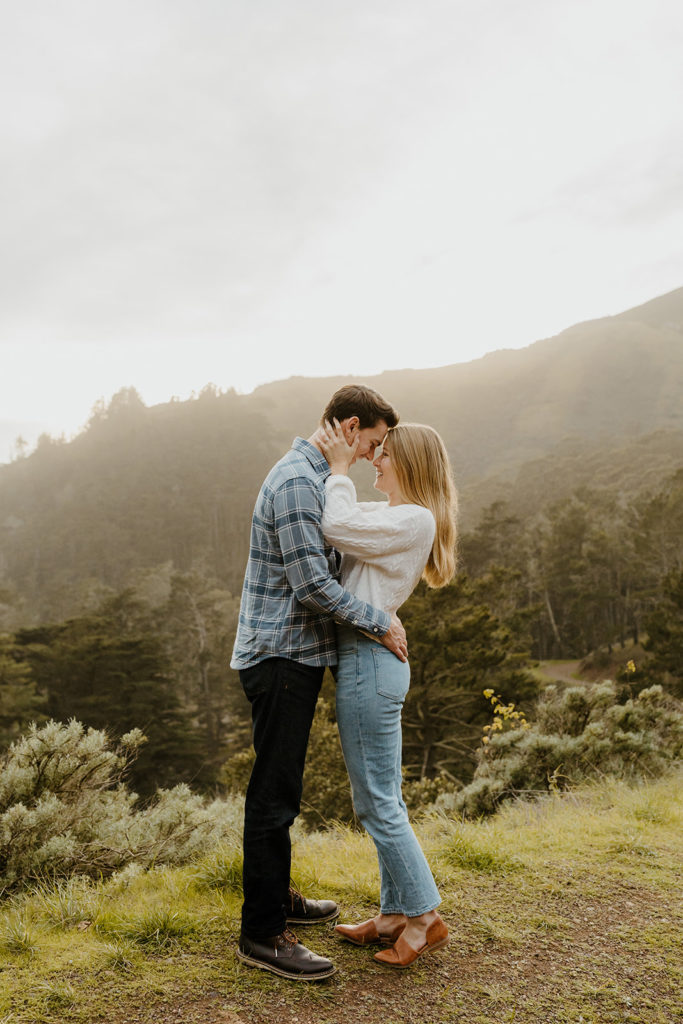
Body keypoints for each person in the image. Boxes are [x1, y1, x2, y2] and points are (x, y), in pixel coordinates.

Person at [231, 384, 407, 981]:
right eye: (373, 443)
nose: (370, 454)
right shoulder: (298, 483)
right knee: (274, 793)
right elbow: (311, 587)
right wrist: (381, 622)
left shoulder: (313, 476)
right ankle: (261, 934)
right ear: (350, 425)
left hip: (295, 655)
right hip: (281, 654)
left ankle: (276, 902)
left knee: (285, 786)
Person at [317, 418, 458, 969]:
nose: (375, 459)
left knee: (375, 802)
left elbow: (337, 525)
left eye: (383, 454)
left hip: (369, 665)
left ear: (409, 463)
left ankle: (425, 918)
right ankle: (394, 913)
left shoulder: (414, 519)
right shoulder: (396, 515)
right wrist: (348, 465)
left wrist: (337, 468)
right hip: (370, 660)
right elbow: (353, 520)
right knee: (384, 797)